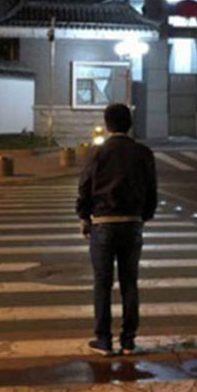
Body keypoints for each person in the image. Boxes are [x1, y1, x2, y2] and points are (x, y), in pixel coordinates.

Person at [76, 103, 157, 357]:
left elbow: (85, 187)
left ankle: (103, 340)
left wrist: (84, 217)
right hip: (132, 223)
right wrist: (143, 217)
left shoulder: (97, 153)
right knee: (129, 283)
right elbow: (151, 190)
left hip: (103, 224)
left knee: (102, 283)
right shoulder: (143, 153)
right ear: (129, 124)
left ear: (107, 124)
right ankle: (129, 341)